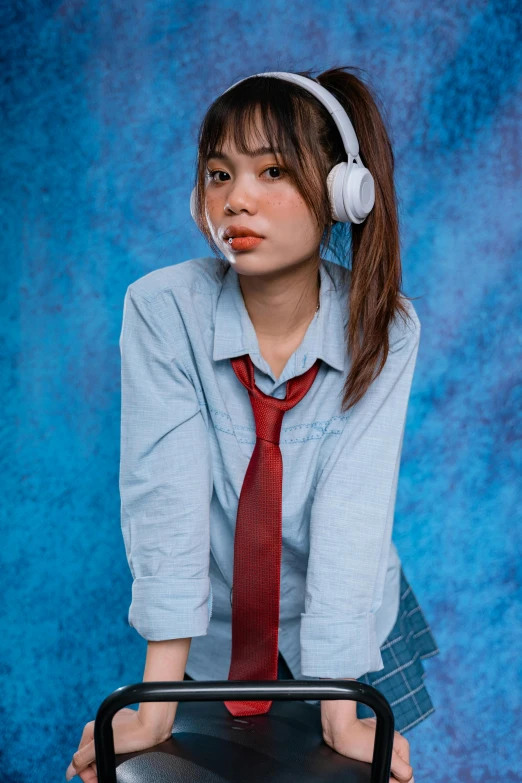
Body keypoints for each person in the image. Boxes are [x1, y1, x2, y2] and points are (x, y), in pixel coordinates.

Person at [65, 65, 439, 783]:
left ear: (341, 194)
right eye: (217, 173)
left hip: (346, 622)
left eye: (271, 170)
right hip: (212, 630)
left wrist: (340, 711)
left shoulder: (384, 328)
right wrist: (156, 705)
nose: (236, 199)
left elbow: (353, 515)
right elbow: (165, 500)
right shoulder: (162, 309)